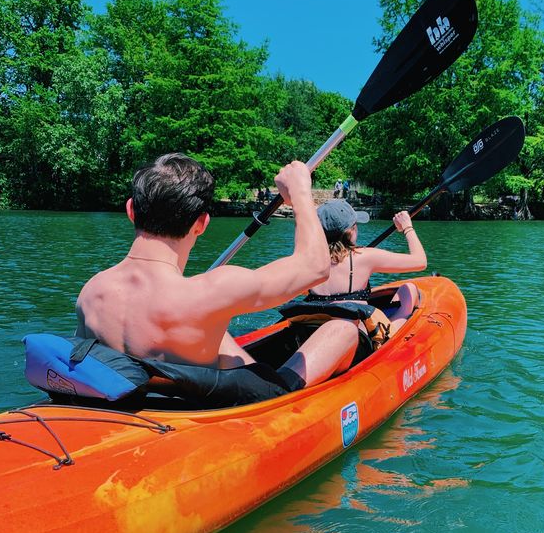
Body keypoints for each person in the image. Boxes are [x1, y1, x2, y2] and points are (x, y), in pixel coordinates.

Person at [75, 154, 360, 400]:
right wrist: (300, 193)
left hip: (138, 403)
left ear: (130, 211)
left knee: (216, 329)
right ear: (201, 224)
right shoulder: (211, 292)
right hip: (203, 411)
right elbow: (315, 266)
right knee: (343, 330)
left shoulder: (92, 291)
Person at [305, 200, 427, 331]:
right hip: (359, 337)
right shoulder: (364, 257)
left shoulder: (308, 262)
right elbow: (420, 262)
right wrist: (407, 227)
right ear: (351, 230)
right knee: (409, 290)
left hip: (316, 330)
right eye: (355, 225)